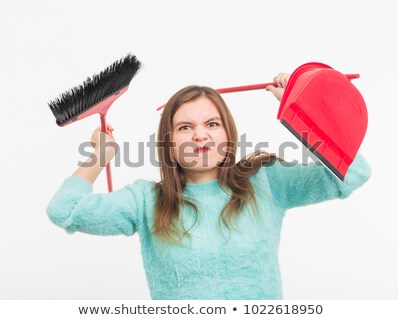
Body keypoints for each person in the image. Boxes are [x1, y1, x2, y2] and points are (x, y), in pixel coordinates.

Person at [46, 73, 371, 299]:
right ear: (170, 143)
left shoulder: (267, 180)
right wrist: (97, 159)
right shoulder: (145, 200)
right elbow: (65, 211)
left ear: (228, 134)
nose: (200, 135)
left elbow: (352, 172)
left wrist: (301, 109)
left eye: (211, 124)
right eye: (185, 127)